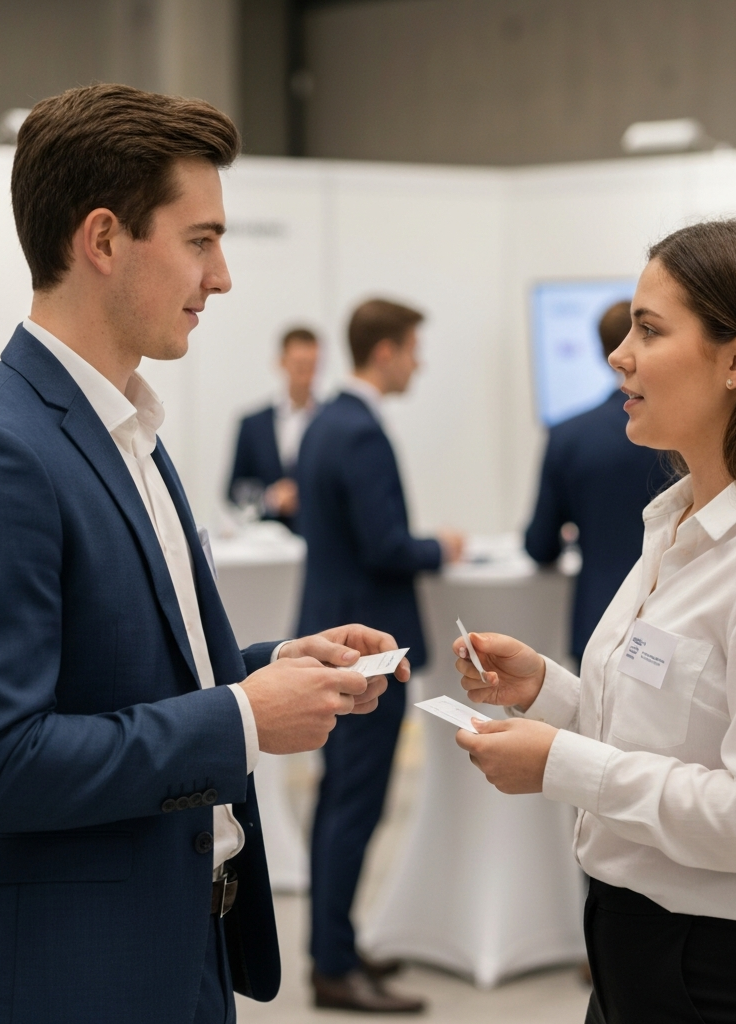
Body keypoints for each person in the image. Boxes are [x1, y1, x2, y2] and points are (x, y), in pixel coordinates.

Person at [0, 84, 409, 1024]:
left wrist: (270, 671)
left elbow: (122, 675)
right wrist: (245, 719)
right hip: (68, 977)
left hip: (181, 944)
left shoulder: (129, 431)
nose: (222, 278)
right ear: (102, 240)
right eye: (201, 240)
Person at [452, 218, 736, 1023]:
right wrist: (548, 694)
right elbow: (676, 731)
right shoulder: (677, 522)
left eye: (648, 329)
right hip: (634, 960)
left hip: (729, 985)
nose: (619, 354)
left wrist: (563, 764)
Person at [296, 298, 464, 1013]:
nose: (420, 362)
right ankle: (333, 967)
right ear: (387, 351)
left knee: (342, 799)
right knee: (354, 806)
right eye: (414, 349)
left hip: (336, 635)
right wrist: (442, 547)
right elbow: (385, 547)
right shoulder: (359, 430)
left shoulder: (325, 421)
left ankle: (333, 945)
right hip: (365, 648)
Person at [525, 300, 667, 663]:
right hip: (671, 621)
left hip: (598, 620)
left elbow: (540, 544)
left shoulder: (568, 436)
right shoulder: (685, 436)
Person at [227, 327, 319, 532]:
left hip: (317, 542)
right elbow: (234, 490)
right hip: (265, 547)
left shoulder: (331, 425)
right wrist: (270, 498)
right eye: (299, 365)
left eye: (311, 366)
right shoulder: (253, 424)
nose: (306, 375)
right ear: (282, 363)